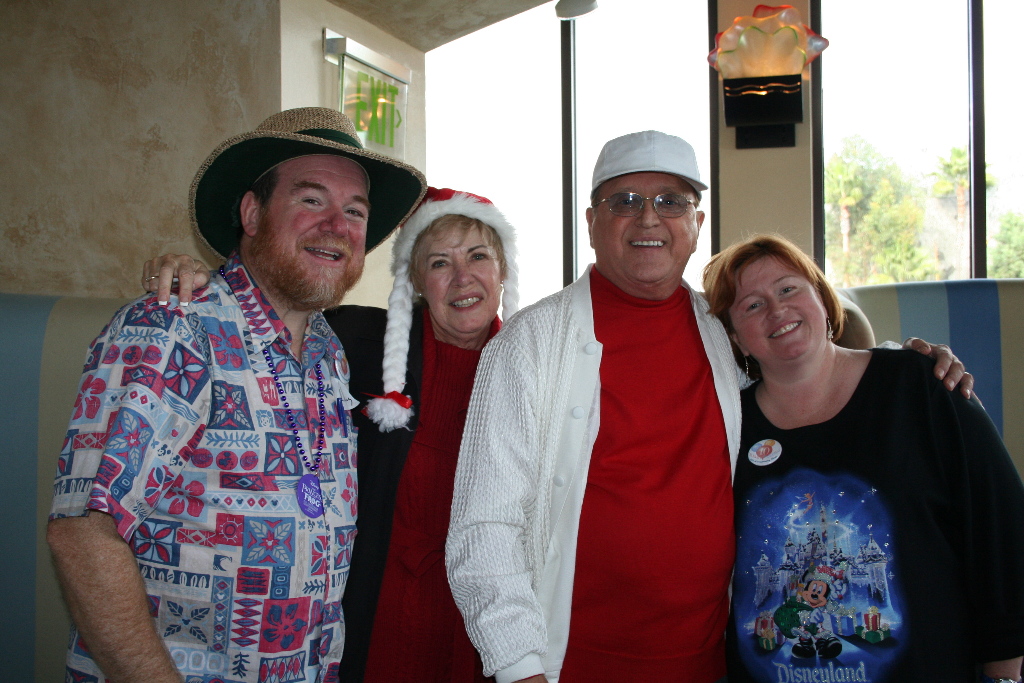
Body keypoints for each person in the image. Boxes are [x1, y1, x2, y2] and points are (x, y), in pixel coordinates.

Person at [444, 130, 972, 683]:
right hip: (568, 666)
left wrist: (907, 365)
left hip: (711, 664)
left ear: (696, 226)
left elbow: (807, 370)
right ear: (592, 222)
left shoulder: (724, 332)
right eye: (624, 201)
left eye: (671, 202)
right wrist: (519, 667)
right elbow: (483, 528)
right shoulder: (529, 345)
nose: (649, 219)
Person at [47, 107, 426, 683]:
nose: (337, 225)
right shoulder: (174, 330)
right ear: (252, 212)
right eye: (311, 200)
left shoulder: (330, 354)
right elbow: (83, 536)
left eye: (355, 212)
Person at [141, 187, 519, 682]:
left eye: (478, 257)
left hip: (493, 616)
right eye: (440, 263)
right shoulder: (353, 341)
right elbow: (266, 306)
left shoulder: (534, 367)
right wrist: (195, 275)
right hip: (379, 615)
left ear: (503, 269)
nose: (463, 277)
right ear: (417, 281)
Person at [702, 234, 1024, 682]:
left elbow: (1002, 529)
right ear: (735, 337)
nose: (777, 310)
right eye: (752, 305)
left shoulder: (921, 385)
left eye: (788, 288)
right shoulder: (725, 427)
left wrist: (1005, 674)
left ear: (821, 295)